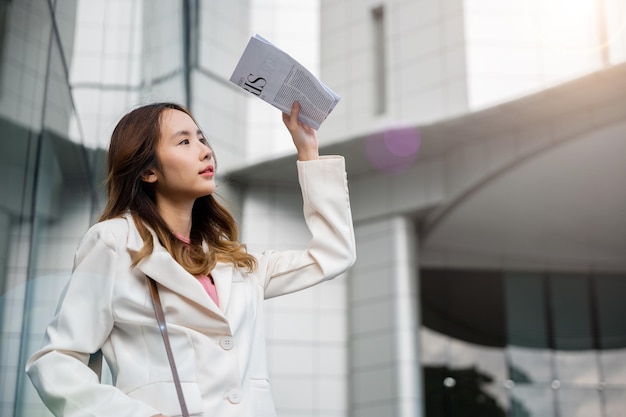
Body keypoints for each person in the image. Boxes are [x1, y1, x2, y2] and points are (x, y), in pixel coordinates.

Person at [25, 101, 356, 417]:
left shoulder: (234, 263)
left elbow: (333, 253)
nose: (205, 150)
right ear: (148, 171)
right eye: (184, 141)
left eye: (201, 138)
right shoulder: (114, 242)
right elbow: (55, 361)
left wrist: (308, 151)